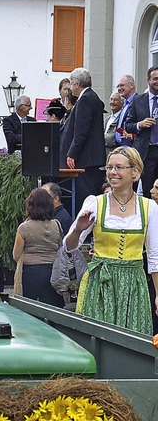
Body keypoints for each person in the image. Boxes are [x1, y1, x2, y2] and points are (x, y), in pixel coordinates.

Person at [64, 146, 158, 334]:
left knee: (134, 339)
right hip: (100, 283)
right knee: (98, 339)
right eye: (109, 167)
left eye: (118, 167)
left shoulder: (149, 207)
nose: (112, 172)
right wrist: (77, 230)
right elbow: (69, 246)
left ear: (135, 172)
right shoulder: (96, 203)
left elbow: (155, 256)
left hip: (134, 285)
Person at [12, 188, 65, 307]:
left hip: (30, 273)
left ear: (30, 206)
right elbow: (61, 247)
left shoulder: (23, 228)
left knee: (30, 310)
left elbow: (16, 255)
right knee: (53, 309)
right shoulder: (56, 224)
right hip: (53, 273)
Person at [64, 67, 107, 212]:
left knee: (86, 199)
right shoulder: (93, 97)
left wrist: (72, 153)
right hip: (92, 157)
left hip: (86, 159)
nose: (70, 88)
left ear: (76, 84)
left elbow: (81, 131)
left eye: (70, 83)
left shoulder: (85, 99)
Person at [125, 66, 158, 199]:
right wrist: (140, 124)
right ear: (148, 80)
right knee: (148, 189)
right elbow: (128, 125)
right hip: (147, 151)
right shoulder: (138, 100)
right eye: (155, 79)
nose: (157, 81)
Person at [115, 74, 138, 148]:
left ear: (131, 85)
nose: (119, 88)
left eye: (121, 85)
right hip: (120, 146)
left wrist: (133, 136)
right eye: (118, 86)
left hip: (131, 147)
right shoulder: (125, 104)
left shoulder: (139, 102)